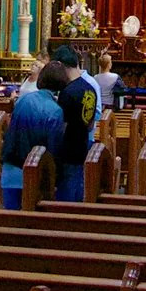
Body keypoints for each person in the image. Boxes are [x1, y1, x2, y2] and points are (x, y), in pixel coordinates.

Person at [2, 62, 67, 208]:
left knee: (9, 220)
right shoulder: (55, 110)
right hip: (34, 173)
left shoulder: (23, 99)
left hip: (11, 168)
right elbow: (52, 150)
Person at [55, 50, 101, 201]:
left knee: (67, 189)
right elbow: (91, 121)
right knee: (78, 186)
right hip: (83, 142)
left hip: (67, 147)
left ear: (61, 66)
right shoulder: (90, 88)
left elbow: (62, 124)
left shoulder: (67, 92)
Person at [93, 53, 126, 117]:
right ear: (108, 65)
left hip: (98, 106)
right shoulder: (115, 76)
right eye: (110, 62)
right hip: (110, 106)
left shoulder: (95, 77)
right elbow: (122, 91)